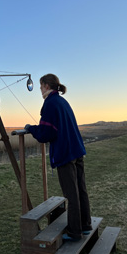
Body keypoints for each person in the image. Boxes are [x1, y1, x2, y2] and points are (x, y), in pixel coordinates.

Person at [25, 73, 92, 241]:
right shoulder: (62, 101)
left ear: (47, 86)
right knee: (81, 190)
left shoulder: (50, 104)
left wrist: (30, 128)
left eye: (40, 86)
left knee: (72, 194)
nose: (40, 90)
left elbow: (46, 134)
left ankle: (75, 232)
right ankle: (85, 225)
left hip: (65, 153)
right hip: (76, 150)